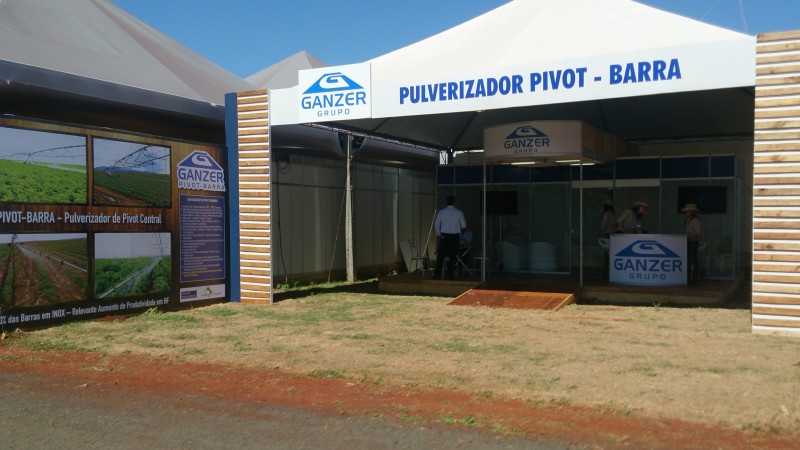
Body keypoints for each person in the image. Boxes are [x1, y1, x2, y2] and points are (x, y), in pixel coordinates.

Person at [433, 195, 467, 280]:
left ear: (446, 202)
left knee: (440, 256)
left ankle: (437, 274)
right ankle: (451, 275)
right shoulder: (459, 212)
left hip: (444, 236)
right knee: (453, 256)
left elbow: (436, 224)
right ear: (454, 202)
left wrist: (439, 234)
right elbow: (464, 225)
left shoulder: (441, 212)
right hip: (454, 237)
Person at [682, 203, 702, 285]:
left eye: (688, 211)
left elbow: (698, 233)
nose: (686, 212)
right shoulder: (688, 220)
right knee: (688, 261)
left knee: (694, 261)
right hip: (688, 242)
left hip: (693, 242)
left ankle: (694, 279)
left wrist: (690, 235)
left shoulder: (695, 220)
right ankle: (688, 279)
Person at [598, 198, 616, 279]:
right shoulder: (613, 214)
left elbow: (603, 226)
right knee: (610, 255)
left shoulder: (606, 214)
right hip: (612, 235)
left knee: (606, 256)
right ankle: (609, 273)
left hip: (606, 234)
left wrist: (599, 231)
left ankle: (605, 274)